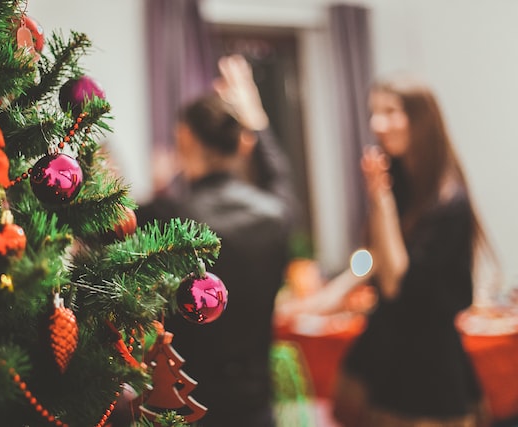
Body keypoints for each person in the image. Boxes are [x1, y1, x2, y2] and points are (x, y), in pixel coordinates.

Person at [304, 74, 493, 427]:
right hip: (388, 350)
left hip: (428, 368)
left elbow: (394, 281)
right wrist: (332, 293)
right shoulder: (403, 182)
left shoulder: (448, 203)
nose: (377, 124)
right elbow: (373, 256)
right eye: (374, 112)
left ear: (421, 120)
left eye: (390, 112)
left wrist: (381, 198)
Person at [137, 55, 299, 427]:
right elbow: (280, 176)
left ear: (185, 138)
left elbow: (101, 228)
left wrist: (159, 188)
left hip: (186, 403)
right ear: (241, 144)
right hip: (255, 404)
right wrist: (257, 121)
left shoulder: (166, 215)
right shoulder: (276, 214)